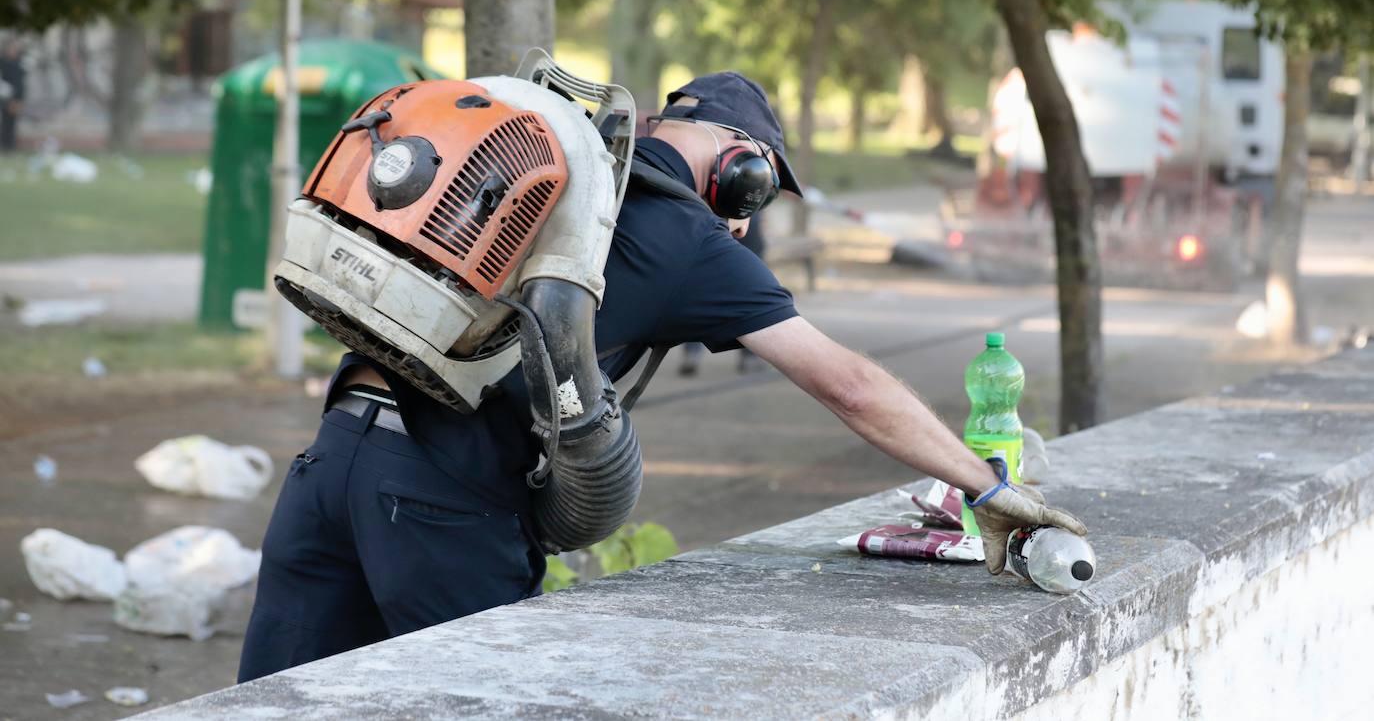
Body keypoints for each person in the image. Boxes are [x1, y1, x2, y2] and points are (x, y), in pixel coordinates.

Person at [238, 71, 1085, 682]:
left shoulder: (553, 171)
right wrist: (983, 487)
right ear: (738, 161)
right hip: (440, 500)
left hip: (330, 459)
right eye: (755, 192)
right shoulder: (688, 237)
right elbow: (850, 384)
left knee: (276, 706)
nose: (745, 216)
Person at [679, 205, 769, 376]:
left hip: (707, 207)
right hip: (745, 208)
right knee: (750, 285)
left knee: (698, 282)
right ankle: (749, 354)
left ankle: (691, 352)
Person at [0, 39, 25, 153]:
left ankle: (10, 146)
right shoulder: (5, 63)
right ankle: (5, 146)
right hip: (6, 97)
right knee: (6, 122)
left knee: (12, 123)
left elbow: (20, 84)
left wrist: (18, 99)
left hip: (16, 98)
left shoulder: (19, 63)